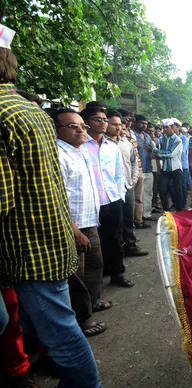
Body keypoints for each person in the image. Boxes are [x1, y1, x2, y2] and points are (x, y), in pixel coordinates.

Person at [0, 24, 106, 388]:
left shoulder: (2, 114)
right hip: (45, 241)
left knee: (60, 333)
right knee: (52, 327)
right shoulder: (30, 112)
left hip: (28, 248)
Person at [55, 108, 111, 338]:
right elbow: (58, 197)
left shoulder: (80, 151)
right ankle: (81, 320)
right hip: (73, 226)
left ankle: (92, 303)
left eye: (82, 126)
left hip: (90, 221)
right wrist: (75, 231)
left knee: (95, 265)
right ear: (58, 129)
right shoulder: (58, 154)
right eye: (73, 126)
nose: (81, 130)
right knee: (76, 276)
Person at [82, 106, 136, 288]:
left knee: (115, 238)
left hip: (112, 200)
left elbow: (118, 173)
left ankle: (117, 273)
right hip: (91, 203)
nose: (103, 123)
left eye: (105, 120)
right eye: (98, 119)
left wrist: (119, 195)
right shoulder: (80, 147)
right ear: (87, 122)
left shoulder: (111, 147)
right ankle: (98, 277)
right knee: (93, 244)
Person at [105, 110, 149, 257]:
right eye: (114, 124)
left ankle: (130, 245)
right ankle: (115, 252)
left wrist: (132, 179)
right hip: (109, 189)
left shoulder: (126, 143)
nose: (118, 128)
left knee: (127, 218)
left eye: (120, 125)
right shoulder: (102, 144)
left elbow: (134, 162)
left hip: (127, 185)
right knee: (113, 223)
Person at [154, 118, 183, 212]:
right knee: (162, 189)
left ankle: (179, 210)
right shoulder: (161, 139)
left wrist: (157, 152)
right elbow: (162, 154)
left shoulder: (178, 140)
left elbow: (170, 153)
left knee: (178, 190)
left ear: (172, 127)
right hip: (165, 168)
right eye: (164, 127)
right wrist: (158, 153)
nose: (165, 129)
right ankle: (166, 211)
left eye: (167, 127)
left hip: (176, 168)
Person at [133, 114, 157, 224]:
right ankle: (138, 217)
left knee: (148, 192)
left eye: (146, 123)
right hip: (137, 169)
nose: (144, 125)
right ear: (136, 122)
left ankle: (146, 214)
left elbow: (154, 150)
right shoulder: (131, 135)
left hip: (148, 167)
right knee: (138, 195)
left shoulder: (147, 136)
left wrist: (152, 150)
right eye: (142, 123)